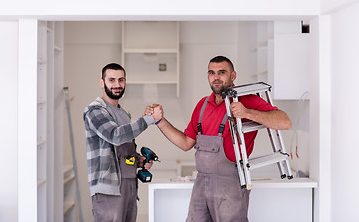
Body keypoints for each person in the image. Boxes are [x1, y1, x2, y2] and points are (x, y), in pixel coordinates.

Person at [151, 56, 292, 222]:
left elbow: (285, 122)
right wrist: (159, 121)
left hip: (230, 185)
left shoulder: (246, 100)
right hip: (201, 184)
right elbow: (185, 143)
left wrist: (247, 113)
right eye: (212, 72)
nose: (216, 77)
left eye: (222, 72)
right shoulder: (202, 105)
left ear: (233, 76)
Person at [83, 63, 162, 222]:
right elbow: (115, 135)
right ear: (102, 82)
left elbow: (122, 150)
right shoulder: (95, 110)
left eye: (121, 80)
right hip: (108, 189)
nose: (117, 85)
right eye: (111, 80)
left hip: (129, 185)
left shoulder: (124, 113)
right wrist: (148, 120)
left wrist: (138, 160)